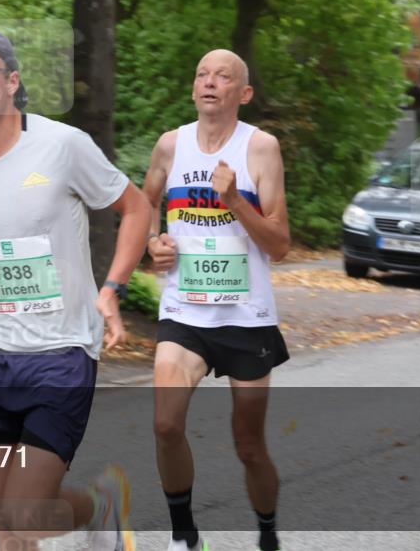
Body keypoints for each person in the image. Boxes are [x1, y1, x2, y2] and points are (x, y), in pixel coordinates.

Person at [0, 29, 149, 550]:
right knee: (5, 521)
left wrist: (112, 288)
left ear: (12, 82)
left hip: (61, 350)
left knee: (26, 513)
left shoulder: (62, 145)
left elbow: (136, 208)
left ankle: (101, 506)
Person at [141, 49, 291, 551]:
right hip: (185, 312)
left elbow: (280, 245)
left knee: (249, 446)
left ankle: (267, 534)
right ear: (193, 88)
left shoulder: (261, 148)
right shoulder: (170, 145)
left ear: (243, 93)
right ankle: (185, 537)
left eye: (223, 76)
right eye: (202, 74)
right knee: (165, 424)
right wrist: (153, 242)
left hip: (246, 318)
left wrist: (235, 202)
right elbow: (145, 204)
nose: (209, 82)